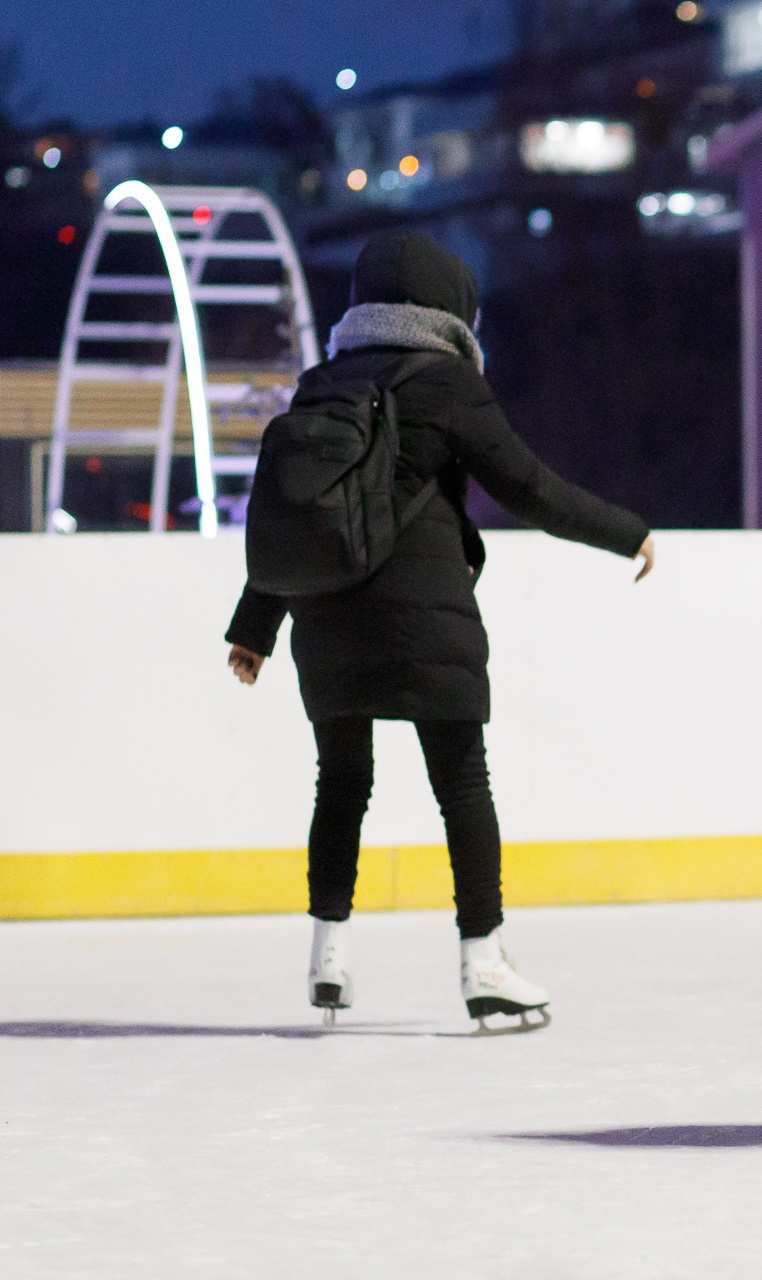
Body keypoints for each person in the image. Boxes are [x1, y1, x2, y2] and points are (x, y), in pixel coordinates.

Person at [225, 230, 656, 1027]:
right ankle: (484, 961)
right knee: (461, 783)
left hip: (325, 617)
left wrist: (255, 628)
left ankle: (329, 957)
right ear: (449, 305)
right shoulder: (448, 382)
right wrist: (626, 531)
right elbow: (529, 488)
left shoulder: (321, 383)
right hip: (425, 616)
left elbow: (293, 516)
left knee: (341, 783)